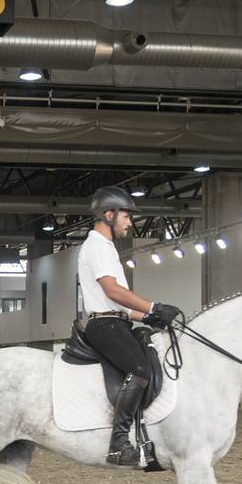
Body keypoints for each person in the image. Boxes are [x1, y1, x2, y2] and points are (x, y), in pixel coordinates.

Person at [77, 186, 181, 468]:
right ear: (108, 214)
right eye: (126, 216)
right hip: (105, 325)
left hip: (117, 321)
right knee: (141, 369)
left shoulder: (107, 248)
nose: (130, 222)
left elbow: (121, 304)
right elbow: (112, 292)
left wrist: (148, 317)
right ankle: (119, 442)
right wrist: (152, 306)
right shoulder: (96, 246)